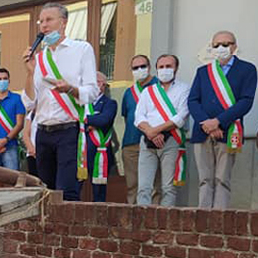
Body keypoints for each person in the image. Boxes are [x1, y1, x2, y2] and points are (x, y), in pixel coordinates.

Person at [22, 1, 99, 200]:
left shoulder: (81, 49)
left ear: (63, 22)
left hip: (69, 130)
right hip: (43, 133)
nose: (43, 25)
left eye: (49, 20)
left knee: (67, 191)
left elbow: (92, 92)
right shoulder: (39, 57)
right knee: (45, 192)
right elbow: (29, 103)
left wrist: (70, 89)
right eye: (41, 21)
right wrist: (30, 73)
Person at [188, 30, 258, 209]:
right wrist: (207, 124)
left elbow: (246, 101)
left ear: (234, 46)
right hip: (202, 132)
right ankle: (204, 215)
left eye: (225, 44)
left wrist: (218, 122)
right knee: (205, 179)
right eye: (217, 45)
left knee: (222, 178)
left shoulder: (247, 69)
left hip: (228, 131)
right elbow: (193, 100)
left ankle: (220, 218)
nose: (221, 48)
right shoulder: (203, 71)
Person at [135, 54, 190, 207]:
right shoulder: (148, 91)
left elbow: (181, 116)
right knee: (144, 187)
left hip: (171, 139)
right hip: (147, 140)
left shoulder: (184, 89)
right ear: (156, 69)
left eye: (169, 66)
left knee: (168, 187)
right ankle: (142, 219)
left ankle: (167, 222)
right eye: (161, 67)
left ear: (176, 68)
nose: (165, 70)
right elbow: (138, 116)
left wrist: (156, 131)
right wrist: (150, 133)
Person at [121, 54, 159, 204]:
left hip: (154, 141)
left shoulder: (159, 86)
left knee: (155, 185)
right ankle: (133, 216)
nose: (139, 70)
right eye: (135, 68)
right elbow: (127, 117)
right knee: (132, 184)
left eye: (143, 66)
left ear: (149, 68)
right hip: (131, 143)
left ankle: (155, 217)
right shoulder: (129, 92)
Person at [80, 71, 117, 202]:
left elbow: (104, 120)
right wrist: (91, 122)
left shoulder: (110, 103)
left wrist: (86, 120)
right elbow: (74, 122)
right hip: (81, 153)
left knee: (99, 193)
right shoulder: (81, 103)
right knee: (75, 190)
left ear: (101, 84)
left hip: (100, 155)